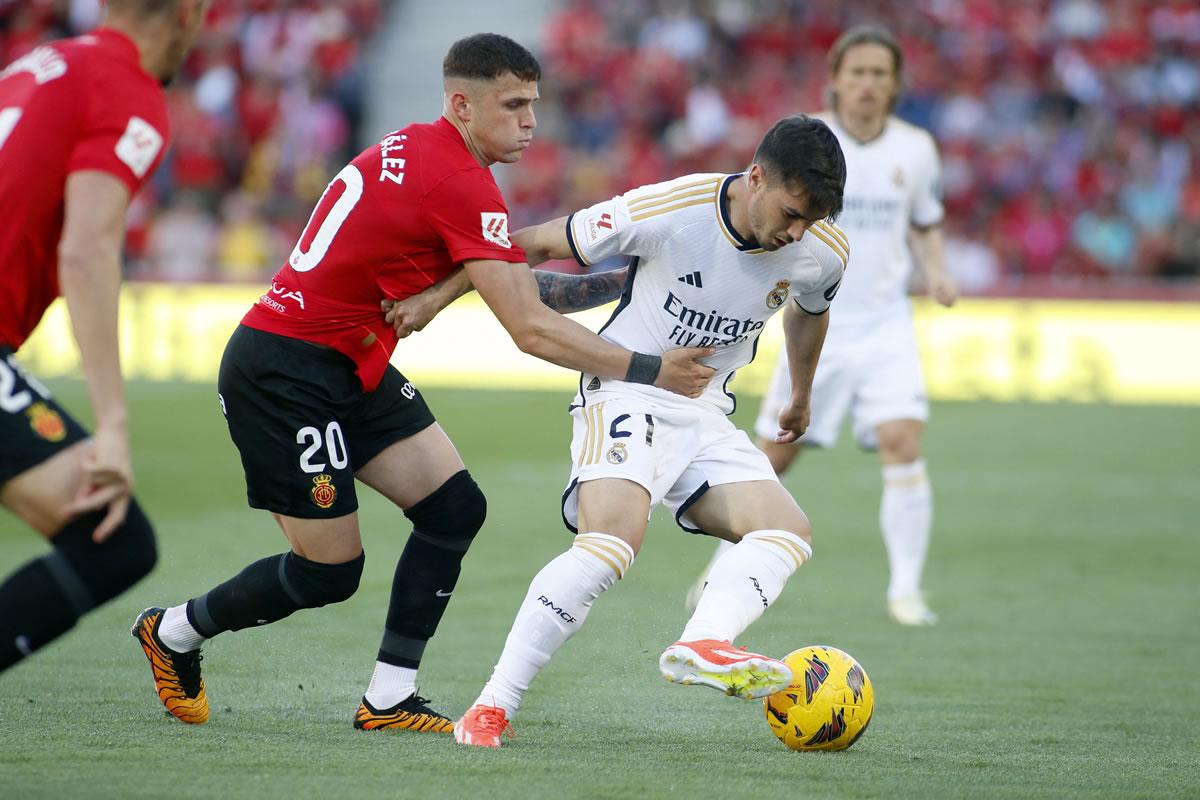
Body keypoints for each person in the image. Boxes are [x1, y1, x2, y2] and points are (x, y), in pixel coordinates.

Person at [130, 33, 713, 731]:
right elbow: (529, 326)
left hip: (345, 361)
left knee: (453, 508)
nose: (531, 121)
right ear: (462, 105)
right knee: (329, 571)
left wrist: (625, 282)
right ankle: (172, 633)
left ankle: (388, 698)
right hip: (285, 373)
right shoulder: (460, 183)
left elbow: (514, 286)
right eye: (514, 105)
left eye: (535, 105)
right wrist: (653, 370)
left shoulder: (424, 149)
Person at [438, 114, 849, 747]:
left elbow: (809, 310)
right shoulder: (671, 208)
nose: (797, 232)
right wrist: (436, 294)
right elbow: (539, 243)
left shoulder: (823, 249)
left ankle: (703, 642)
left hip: (706, 409)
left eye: (810, 221)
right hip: (628, 385)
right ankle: (491, 706)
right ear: (757, 177)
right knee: (611, 545)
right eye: (792, 213)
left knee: (787, 530)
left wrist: (798, 393)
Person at [688, 26, 958, 626]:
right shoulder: (805, 144)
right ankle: (720, 567)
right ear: (834, 77)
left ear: (895, 85)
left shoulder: (916, 149)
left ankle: (906, 591)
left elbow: (924, 220)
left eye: (879, 74)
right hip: (809, 317)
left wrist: (936, 270)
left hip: (886, 321)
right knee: (777, 454)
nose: (867, 84)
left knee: (903, 441)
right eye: (856, 72)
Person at [0, 0, 211, 674]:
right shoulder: (127, 89)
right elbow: (87, 249)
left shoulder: (31, 67)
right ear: (185, 13)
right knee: (112, 541)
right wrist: (112, 425)